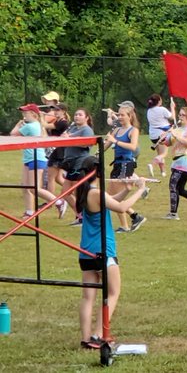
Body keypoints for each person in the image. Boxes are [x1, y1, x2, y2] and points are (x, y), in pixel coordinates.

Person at [74, 155, 149, 350]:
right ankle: (98, 335)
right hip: (103, 251)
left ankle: (86, 338)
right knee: (114, 292)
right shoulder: (96, 192)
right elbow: (123, 208)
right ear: (98, 172)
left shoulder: (85, 191)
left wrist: (126, 189)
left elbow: (112, 202)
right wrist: (141, 190)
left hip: (85, 252)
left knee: (88, 297)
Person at [11, 104, 65, 218]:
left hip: (36, 159)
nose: (24, 115)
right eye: (23, 113)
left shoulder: (30, 126)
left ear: (33, 114)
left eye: (26, 113)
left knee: (34, 188)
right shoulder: (35, 125)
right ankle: (29, 212)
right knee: (25, 186)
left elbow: (13, 134)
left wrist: (18, 125)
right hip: (29, 158)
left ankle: (59, 202)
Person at [102, 103, 146, 233]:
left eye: (122, 115)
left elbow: (133, 147)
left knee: (114, 197)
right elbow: (105, 146)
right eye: (118, 114)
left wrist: (115, 141)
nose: (119, 117)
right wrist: (97, 152)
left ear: (130, 116)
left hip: (126, 164)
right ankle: (135, 217)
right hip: (117, 164)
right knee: (111, 197)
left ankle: (125, 225)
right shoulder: (116, 130)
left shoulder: (133, 130)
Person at [60, 108, 95, 226]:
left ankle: (85, 216)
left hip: (80, 163)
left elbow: (86, 143)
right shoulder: (73, 128)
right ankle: (80, 216)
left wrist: (69, 139)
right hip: (71, 163)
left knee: (77, 191)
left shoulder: (87, 130)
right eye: (75, 114)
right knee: (65, 192)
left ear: (86, 118)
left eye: (80, 115)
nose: (77, 116)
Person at [145, 94, 173, 178]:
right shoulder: (162, 109)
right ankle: (152, 164)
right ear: (159, 101)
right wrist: (172, 107)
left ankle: (163, 172)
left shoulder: (149, 110)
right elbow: (173, 117)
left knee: (160, 153)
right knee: (164, 154)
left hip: (153, 135)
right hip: (162, 134)